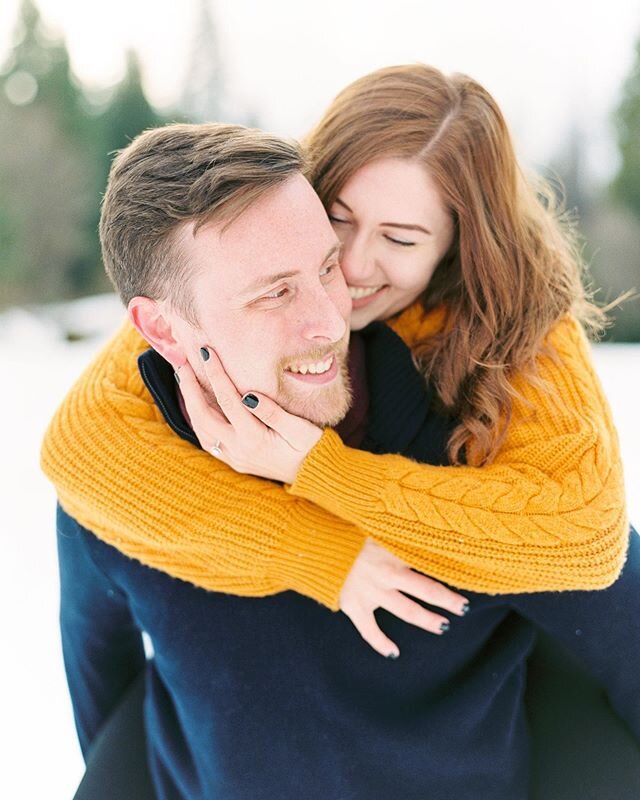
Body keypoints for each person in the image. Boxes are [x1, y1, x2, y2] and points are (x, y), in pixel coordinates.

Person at [43, 65, 629, 657]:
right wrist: (316, 550)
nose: (348, 267)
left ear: (461, 243)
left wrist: (321, 471)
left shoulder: (517, 314)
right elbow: (84, 441)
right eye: (338, 219)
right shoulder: (252, 266)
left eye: (401, 239)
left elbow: (585, 530)